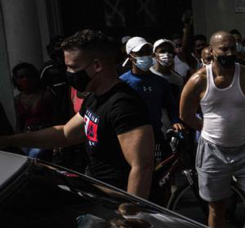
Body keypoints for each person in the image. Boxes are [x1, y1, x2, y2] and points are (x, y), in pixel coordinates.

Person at [0, 30, 154, 197]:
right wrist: (9, 141)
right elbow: (66, 134)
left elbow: (141, 167)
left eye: (73, 67)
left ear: (97, 66)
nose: (69, 73)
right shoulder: (94, 97)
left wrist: (130, 217)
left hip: (116, 200)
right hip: (97, 191)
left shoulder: (123, 105)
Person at [179, 31, 245, 228]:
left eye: (232, 48)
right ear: (212, 51)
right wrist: (206, 128)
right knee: (217, 206)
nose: (229, 53)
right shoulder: (198, 79)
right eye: (223, 49)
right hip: (212, 151)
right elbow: (185, 114)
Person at [120, 37, 185, 168]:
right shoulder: (122, 82)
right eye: (140, 53)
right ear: (130, 56)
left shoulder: (160, 82)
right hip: (129, 137)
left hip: (156, 135)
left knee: (160, 174)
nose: (145, 56)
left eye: (147, 52)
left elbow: (171, 105)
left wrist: (175, 121)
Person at [12, 63, 55, 160]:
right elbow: (19, 123)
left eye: (29, 76)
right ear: (16, 80)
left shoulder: (46, 96)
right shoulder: (17, 100)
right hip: (27, 139)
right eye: (21, 77)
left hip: (46, 137)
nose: (25, 79)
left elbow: (56, 118)